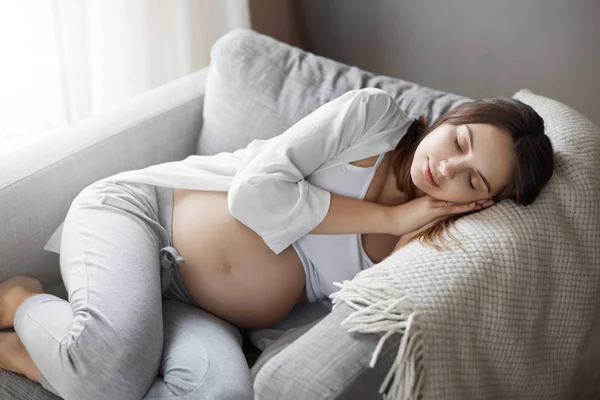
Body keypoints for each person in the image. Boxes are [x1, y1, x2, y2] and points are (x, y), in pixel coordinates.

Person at [0, 88, 554, 400]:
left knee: (224, 396)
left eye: (473, 179)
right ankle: (23, 302)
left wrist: (405, 224)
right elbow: (253, 194)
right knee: (112, 375)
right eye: (460, 141)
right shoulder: (374, 118)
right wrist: (389, 213)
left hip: (199, 312)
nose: (448, 167)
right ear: (453, 119)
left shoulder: (423, 246)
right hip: (141, 218)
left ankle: (57, 358)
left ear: (481, 204)